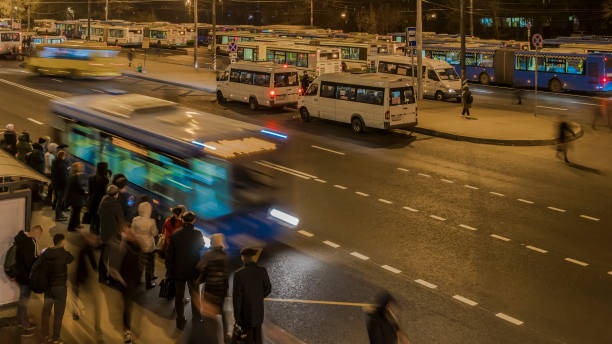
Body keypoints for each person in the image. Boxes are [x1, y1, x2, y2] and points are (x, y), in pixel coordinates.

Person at [166, 211, 205, 330]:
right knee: (195, 295)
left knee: (179, 296)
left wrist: (169, 270)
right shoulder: (197, 234)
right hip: (193, 270)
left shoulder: (176, 234)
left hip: (178, 271)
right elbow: (201, 246)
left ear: (182, 221)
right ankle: (197, 319)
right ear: (193, 221)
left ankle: (180, 321)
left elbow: (170, 255)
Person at [40, 233, 74, 344]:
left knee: (46, 312)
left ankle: (44, 335)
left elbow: (41, 256)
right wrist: (61, 249)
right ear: (62, 242)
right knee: (58, 314)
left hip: (48, 287)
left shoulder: (47, 253)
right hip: (60, 288)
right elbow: (71, 258)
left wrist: (49, 249)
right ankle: (55, 338)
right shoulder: (63, 253)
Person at [232, 247, 271, 344]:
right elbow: (268, 289)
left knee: (247, 339)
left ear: (243, 258)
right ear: (253, 257)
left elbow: (237, 298)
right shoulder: (262, 271)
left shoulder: (239, 274)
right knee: (258, 338)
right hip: (258, 312)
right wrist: (258, 297)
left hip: (245, 315)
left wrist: (237, 317)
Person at [197, 233, 229, 340]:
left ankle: (212, 338)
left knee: (210, 316)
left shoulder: (208, 255)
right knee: (221, 311)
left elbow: (200, 267)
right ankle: (226, 335)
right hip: (222, 290)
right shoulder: (225, 256)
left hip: (210, 289)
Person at [13, 225, 43, 332]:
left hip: (20, 274)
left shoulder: (22, 238)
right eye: (39, 234)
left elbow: (25, 257)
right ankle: (25, 324)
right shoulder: (30, 243)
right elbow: (30, 262)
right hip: (26, 276)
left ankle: (19, 320)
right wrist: (39, 258)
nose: (39, 236)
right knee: (24, 300)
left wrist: (36, 254)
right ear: (35, 232)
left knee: (22, 298)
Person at [119, 227, 143, 343]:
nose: (132, 235)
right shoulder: (124, 247)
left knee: (128, 305)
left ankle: (127, 330)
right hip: (127, 281)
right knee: (127, 306)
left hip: (131, 281)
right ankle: (127, 331)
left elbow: (139, 265)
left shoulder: (136, 247)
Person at [98, 184, 124, 284]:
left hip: (104, 233)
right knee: (112, 259)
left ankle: (102, 277)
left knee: (103, 256)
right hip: (113, 235)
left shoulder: (103, 202)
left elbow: (99, 213)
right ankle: (112, 278)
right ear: (116, 194)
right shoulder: (116, 205)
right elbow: (120, 220)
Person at [132, 201, 158, 289]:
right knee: (149, 265)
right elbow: (154, 233)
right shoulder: (151, 221)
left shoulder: (135, 219)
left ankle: (137, 280)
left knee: (139, 264)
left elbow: (132, 231)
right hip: (148, 246)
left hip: (138, 245)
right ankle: (148, 284)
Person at [88, 162, 110, 235]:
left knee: (93, 218)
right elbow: (106, 192)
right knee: (98, 220)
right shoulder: (106, 180)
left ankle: (91, 232)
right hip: (100, 202)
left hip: (92, 200)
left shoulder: (91, 178)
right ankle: (96, 234)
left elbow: (90, 191)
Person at [65, 162, 86, 232]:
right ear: (77, 168)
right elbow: (79, 187)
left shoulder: (73, 176)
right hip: (76, 198)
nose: (82, 167)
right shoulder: (75, 176)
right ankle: (71, 227)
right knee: (75, 213)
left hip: (76, 197)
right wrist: (85, 191)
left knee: (77, 212)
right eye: (80, 166)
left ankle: (77, 224)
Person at [51, 151, 69, 221]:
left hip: (56, 184)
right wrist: (66, 184)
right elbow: (64, 177)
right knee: (60, 200)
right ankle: (58, 216)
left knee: (58, 199)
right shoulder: (62, 165)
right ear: (62, 156)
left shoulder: (55, 163)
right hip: (61, 185)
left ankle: (60, 214)